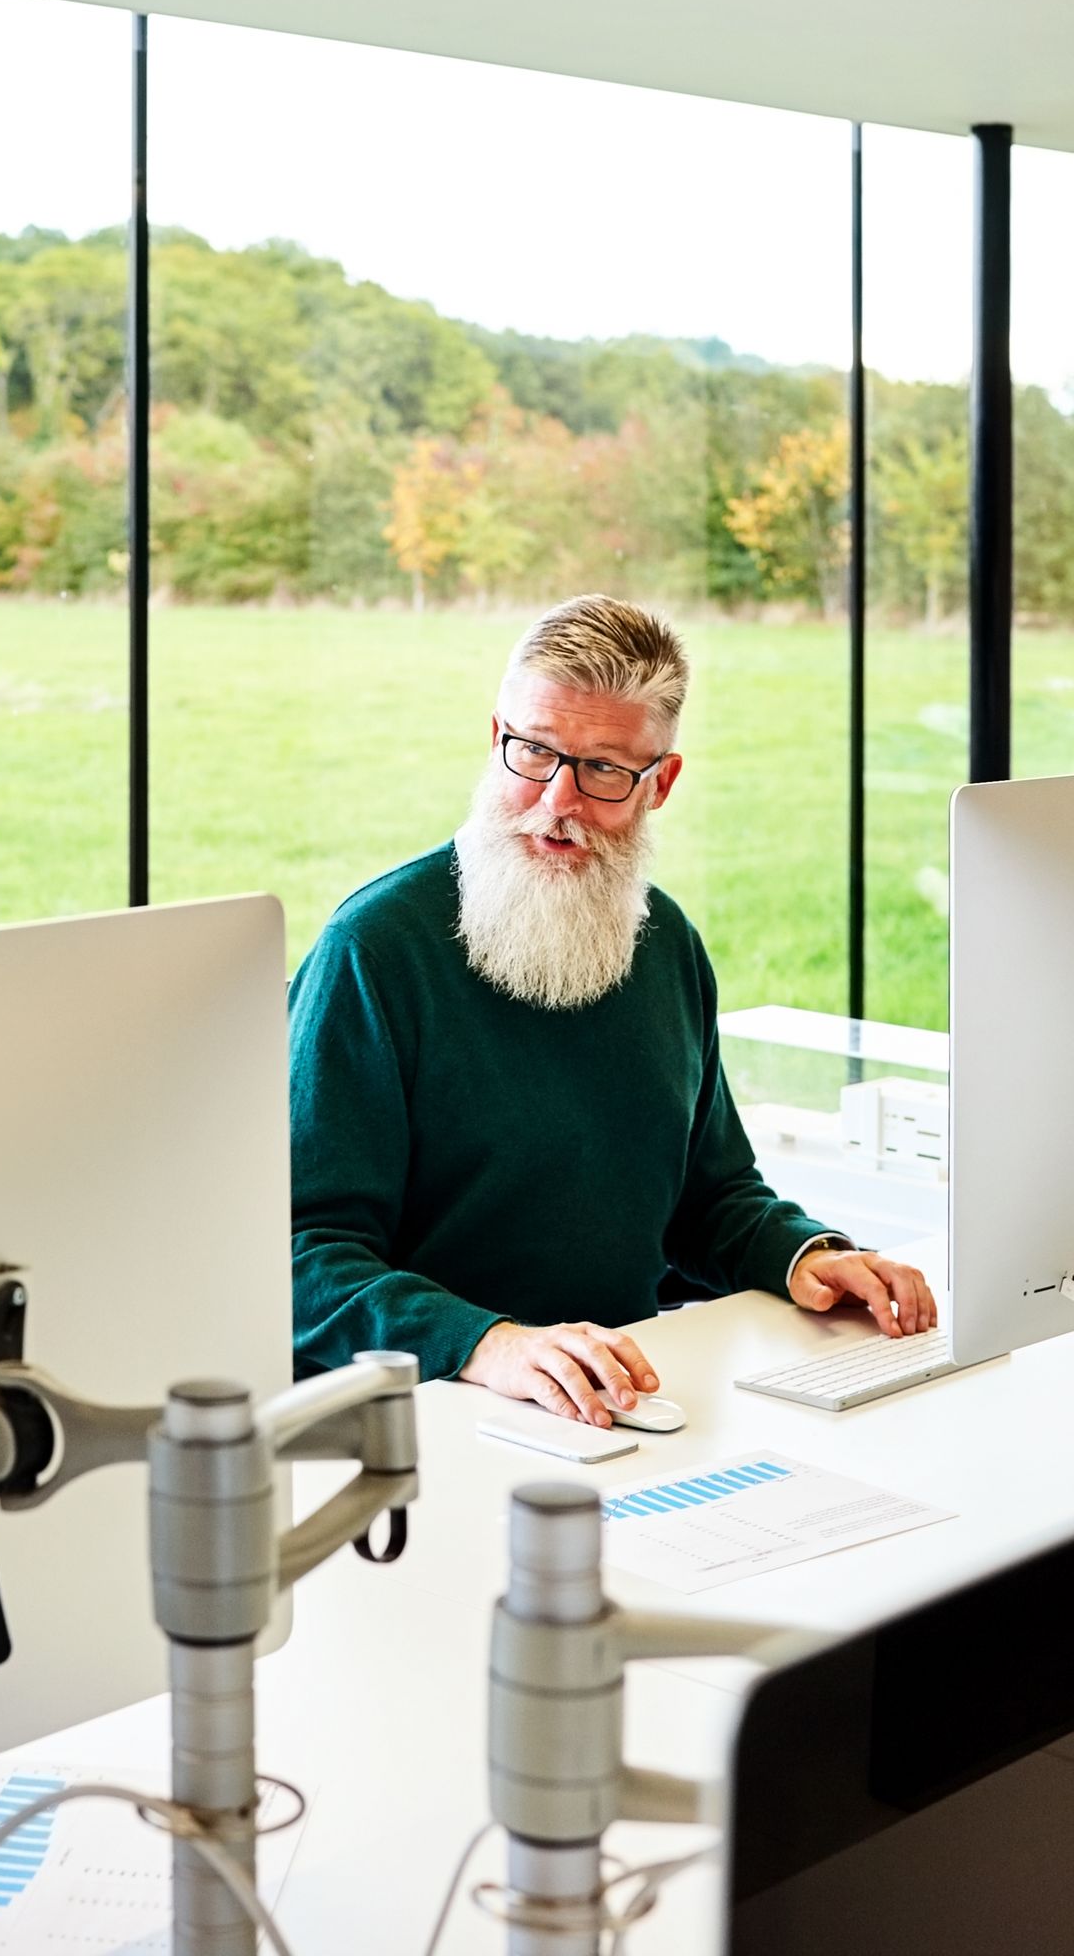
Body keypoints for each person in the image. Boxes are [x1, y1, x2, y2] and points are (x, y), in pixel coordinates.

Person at [289, 595, 935, 1429]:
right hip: (433, 1412)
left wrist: (806, 1253)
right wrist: (491, 1344)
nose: (557, 799)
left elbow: (710, 1198)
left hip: (624, 1401)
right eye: (534, 752)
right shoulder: (375, 951)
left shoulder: (666, 944)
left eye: (603, 771)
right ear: (497, 740)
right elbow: (303, 1253)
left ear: (659, 783)